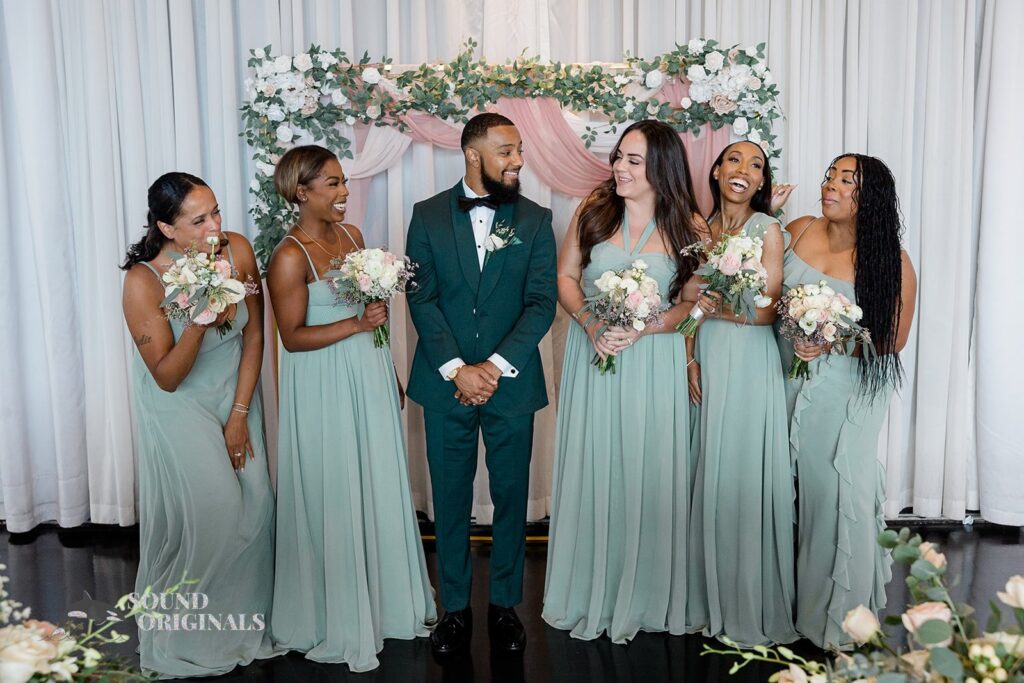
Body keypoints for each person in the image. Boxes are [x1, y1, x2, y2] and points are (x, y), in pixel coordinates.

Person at [266, 145, 436, 672]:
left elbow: (372, 314)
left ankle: (382, 604)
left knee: (375, 481)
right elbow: (291, 338)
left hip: (366, 371)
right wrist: (357, 327)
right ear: (302, 191)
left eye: (343, 183)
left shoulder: (353, 238)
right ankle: (332, 614)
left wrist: (389, 371)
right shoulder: (289, 256)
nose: (344, 193)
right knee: (336, 484)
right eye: (334, 184)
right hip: (322, 385)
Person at [542, 120, 704, 642]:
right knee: (597, 467)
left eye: (634, 160)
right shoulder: (593, 211)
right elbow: (565, 278)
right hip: (596, 359)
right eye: (619, 157)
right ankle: (594, 587)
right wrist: (591, 325)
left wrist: (646, 327)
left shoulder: (688, 228)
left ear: (662, 168)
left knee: (648, 469)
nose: (619, 167)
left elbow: (691, 305)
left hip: (653, 367)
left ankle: (651, 592)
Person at [405, 113, 557, 655]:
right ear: (473, 154)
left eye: (519, 151)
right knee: (449, 497)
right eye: (506, 151)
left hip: (510, 385)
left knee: (512, 496)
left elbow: (541, 305)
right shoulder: (425, 216)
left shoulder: (536, 220)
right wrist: (456, 369)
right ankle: (453, 609)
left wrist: (491, 367)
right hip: (444, 383)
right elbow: (419, 297)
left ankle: (504, 606)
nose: (517, 160)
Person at [121, 172, 277, 677]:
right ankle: (185, 634)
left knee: (255, 508)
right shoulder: (143, 280)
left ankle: (238, 624)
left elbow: (255, 337)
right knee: (215, 512)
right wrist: (198, 320)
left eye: (216, 212)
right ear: (167, 228)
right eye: (199, 219)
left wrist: (239, 414)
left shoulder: (237, 250)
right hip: (180, 404)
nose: (216, 227)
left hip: (233, 393)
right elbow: (166, 376)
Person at [778, 154, 917, 649]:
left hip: (847, 389)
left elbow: (891, 341)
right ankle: (783, 607)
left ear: (869, 199)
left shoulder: (891, 261)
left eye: (846, 180)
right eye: (829, 176)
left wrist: (833, 336)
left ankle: (838, 618)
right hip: (784, 377)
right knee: (784, 493)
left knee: (835, 494)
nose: (830, 185)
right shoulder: (797, 229)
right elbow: (765, 290)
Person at [685, 141, 799, 646]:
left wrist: (710, 308)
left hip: (750, 362)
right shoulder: (698, 230)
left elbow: (768, 310)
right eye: (735, 159)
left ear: (760, 184)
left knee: (743, 469)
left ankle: (749, 599)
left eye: (757, 166)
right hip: (705, 355)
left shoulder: (767, 229)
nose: (744, 170)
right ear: (715, 170)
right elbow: (682, 297)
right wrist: (690, 354)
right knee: (708, 466)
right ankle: (708, 596)